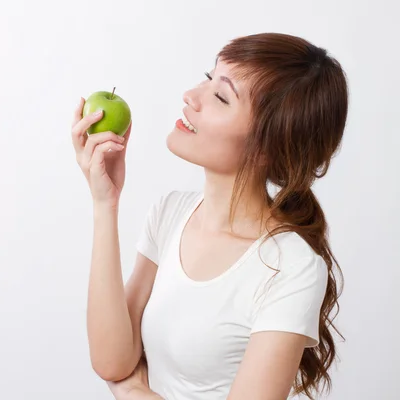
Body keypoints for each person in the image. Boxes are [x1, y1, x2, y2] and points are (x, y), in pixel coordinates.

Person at [71, 32, 348, 400]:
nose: (191, 96)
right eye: (208, 77)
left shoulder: (291, 268)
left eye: (221, 96)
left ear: (267, 146)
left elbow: (124, 380)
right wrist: (105, 204)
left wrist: (135, 392)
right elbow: (112, 362)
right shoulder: (170, 213)